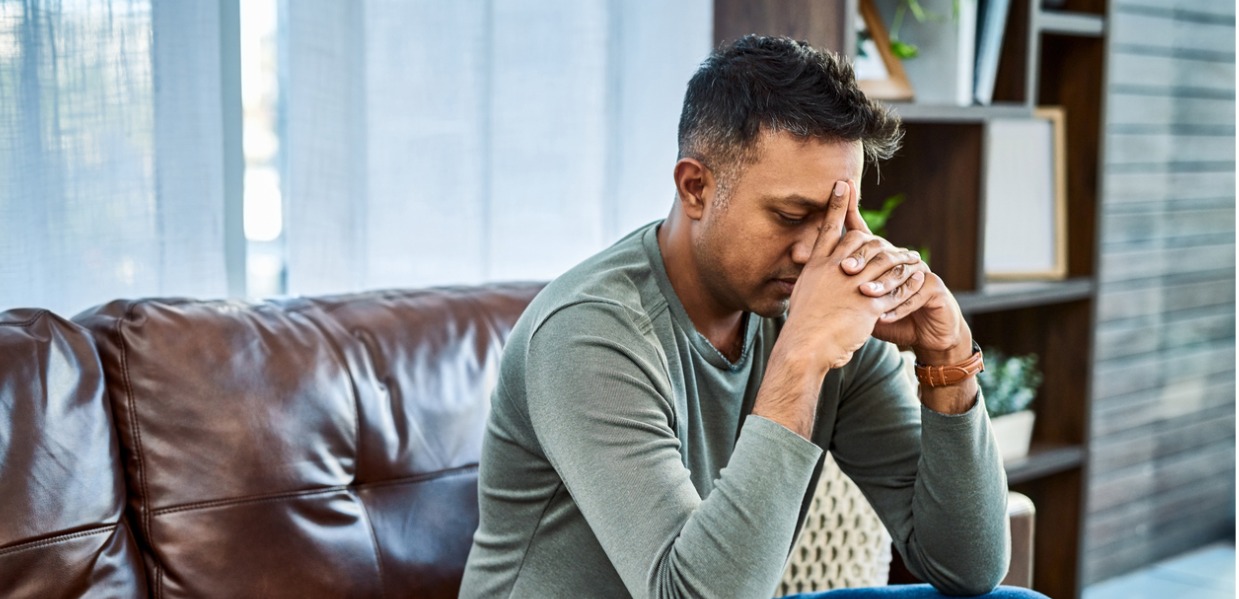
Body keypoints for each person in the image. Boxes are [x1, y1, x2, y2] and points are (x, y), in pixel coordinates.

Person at [459, 35, 1047, 599]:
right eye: (793, 215)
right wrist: (800, 358)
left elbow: (968, 568)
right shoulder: (588, 333)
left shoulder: (816, 308)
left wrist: (948, 364)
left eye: (837, 218)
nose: (815, 251)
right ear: (695, 187)